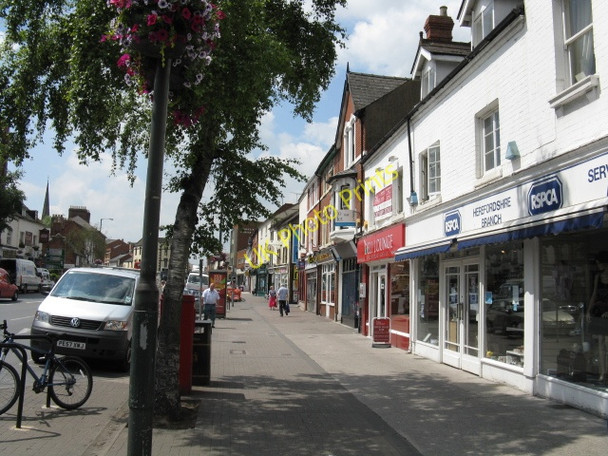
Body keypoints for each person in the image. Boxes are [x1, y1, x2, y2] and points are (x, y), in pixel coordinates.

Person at [587, 251, 608, 383]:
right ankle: (602, 372)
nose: (597, 265)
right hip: (599, 311)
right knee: (600, 343)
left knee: (607, 343)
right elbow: (594, 294)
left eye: (599, 262)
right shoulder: (598, 277)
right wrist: (588, 311)